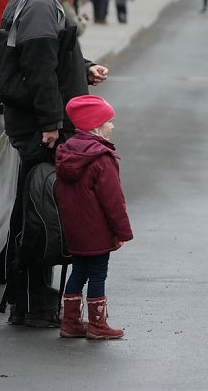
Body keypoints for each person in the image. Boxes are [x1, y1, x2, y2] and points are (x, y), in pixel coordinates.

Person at [0, 0, 109, 328]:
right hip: (40, 127)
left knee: (37, 210)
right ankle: (31, 304)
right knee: (38, 214)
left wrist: (86, 67)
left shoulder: (33, 0)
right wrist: (50, 125)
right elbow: (39, 70)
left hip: (39, 121)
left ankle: (32, 302)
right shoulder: (42, 4)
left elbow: (54, 59)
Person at [56, 95, 133, 340]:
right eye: (109, 121)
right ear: (96, 125)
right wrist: (122, 232)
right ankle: (98, 325)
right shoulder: (101, 159)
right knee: (98, 274)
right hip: (97, 228)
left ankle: (70, 322)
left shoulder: (66, 153)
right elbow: (113, 200)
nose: (113, 126)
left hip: (74, 227)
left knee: (78, 271)